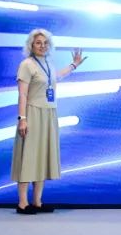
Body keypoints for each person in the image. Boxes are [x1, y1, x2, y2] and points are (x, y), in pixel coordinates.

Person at [12, 29, 85, 215]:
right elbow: (22, 95)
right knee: (29, 157)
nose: (42, 46)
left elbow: (57, 76)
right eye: (38, 43)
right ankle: (22, 203)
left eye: (45, 43)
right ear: (31, 45)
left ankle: (37, 201)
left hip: (49, 114)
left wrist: (74, 65)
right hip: (32, 113)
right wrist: (22, 119)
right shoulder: (26, 65)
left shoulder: (48, 63)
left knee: (42, 157)